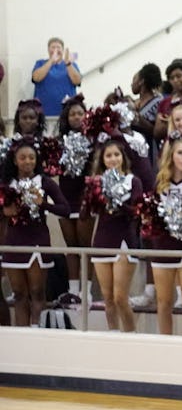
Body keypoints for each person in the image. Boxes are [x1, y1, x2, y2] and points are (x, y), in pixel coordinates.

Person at [1, 138, 69, 326]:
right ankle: (22, 335)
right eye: (22, 158)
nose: (28, 161)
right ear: (15, 160)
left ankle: (37, 332)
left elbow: (65, 209)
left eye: (32, 157)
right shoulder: (6, 184)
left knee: (38, 292)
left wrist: (44, 204)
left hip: (38, 242)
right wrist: (3, 212)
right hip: (13, 244)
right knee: (19, 294)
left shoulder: (45, 182)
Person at [85, 138, 142, 333]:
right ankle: (113, 335)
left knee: (120, 297)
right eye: (108, 156)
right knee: (108, 298)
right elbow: (84, 216)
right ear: (102, 160)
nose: (113, 159)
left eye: (116, 154)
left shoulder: (133, 181)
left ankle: (131, 336)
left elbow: (136, 211)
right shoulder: (97, 182)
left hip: (125, 241)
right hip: (102, 240)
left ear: (123, 157)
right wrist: (90, 197)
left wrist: (116, 202)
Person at [146, 138, 182, 336]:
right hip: (163, 246)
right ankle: (166, 346)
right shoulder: (160, 184)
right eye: (180, 153)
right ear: (171, 156)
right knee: (163, 302)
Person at [56, 94, 94, 300]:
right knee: (70, 246)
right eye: (73, 114)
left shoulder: (93, 139)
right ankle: (72, 289)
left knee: (85, 246)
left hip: (84, 196)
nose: (77, 117)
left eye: (81, 113)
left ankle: (86, 291)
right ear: (66, 117)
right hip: (65, 195)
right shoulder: (59, 142)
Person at [31, 37, 82, 117]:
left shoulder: (71, 65)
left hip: (67, 113)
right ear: (48, 50)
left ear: (63, 50)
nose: (56, 50)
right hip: (44, 112)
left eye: (58, 47)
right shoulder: (40, 63)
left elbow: (77, 81)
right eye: (53, 47)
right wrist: (51, 61)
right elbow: (36, 78)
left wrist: (68, 64)